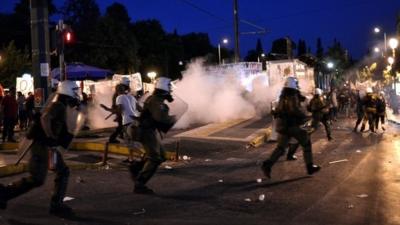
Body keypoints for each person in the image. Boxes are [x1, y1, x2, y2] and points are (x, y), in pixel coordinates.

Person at [0, 80, 83, 217]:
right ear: (68, 91)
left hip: (48, 146)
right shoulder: (58, 105)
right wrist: (50, 137)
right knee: (38, 178)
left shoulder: (61, 104)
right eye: (74, 91)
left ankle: (56, 205)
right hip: (42, 146)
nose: (77, 94)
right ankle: (4, 193)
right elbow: (46, 118)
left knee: (62, 171)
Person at [261, 76, 320, 178]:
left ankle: (267, 164)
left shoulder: (282, 96)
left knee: (281, 148)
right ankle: (310, 167)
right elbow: (295, 110)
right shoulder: (292, 95)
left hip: (283, 126)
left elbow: (277, 110)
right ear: (294, 85)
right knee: (306, 143)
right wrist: (306, 116)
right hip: (293, 125)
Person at [129, 77, 176, 194]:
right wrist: (172, 118)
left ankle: (136, 167)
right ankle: (139, 184)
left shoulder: (156, 99)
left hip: (149, 131)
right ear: (164, 88)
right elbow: (161, 117)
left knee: (162, 155)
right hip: (145, 131)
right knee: (155, 158)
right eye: (169, 88)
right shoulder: (156, 101)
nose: (171, 91)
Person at [115, 77, 140, 163]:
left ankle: (143, 155)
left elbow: (120, 110)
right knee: (131, 142)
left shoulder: (119, 97)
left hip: (127, 122)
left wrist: (109, 110)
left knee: (128, 142)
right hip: (134, 121)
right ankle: (130, 158)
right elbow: (139, 108)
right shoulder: (131, 97)